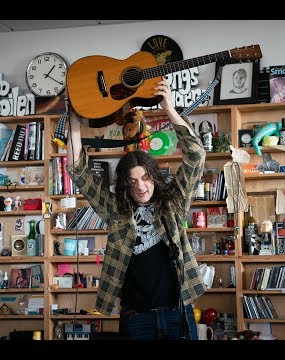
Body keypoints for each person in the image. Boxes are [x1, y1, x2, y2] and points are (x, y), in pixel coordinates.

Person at [66, 78, 207, 340]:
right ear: (125, 185)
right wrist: (74, 120)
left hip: (178, 312)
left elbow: (196, 156)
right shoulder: (115, 208)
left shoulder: (174, 201)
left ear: (154, 177)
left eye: (145, 178)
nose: (140, 187)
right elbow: (78, 170)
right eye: (132, 182)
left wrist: (170, 109)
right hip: (136, 318)